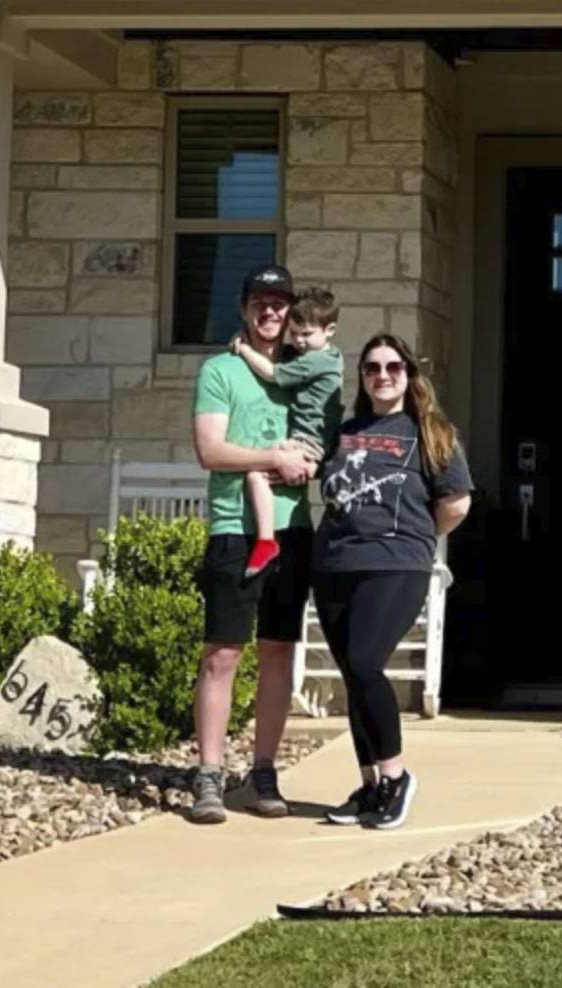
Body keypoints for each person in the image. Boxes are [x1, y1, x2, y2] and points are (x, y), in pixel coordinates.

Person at [311, 334, 473, 830]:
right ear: (362, 377)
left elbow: (456, 504)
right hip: (335, 563)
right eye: (372, 369)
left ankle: (396, 776)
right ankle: (370, 786)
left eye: (393, 368)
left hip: (396, 564)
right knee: (354, 677)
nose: (383, 376)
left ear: (409, 374)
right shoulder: (344, 431)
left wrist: (413, 538)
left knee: (365, 663)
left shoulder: (431, 432)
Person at [189, 264, 315, 825]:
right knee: (222, 653)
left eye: (280, 303)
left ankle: (263, 770)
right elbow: (211, 451)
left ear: (291, 313)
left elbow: (319, 444)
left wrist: (306, 460)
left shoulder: (304, 373)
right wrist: (273, 458)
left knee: (278, 652)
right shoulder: (219, 371)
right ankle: (209, 774)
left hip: (292, 528)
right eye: (260, 302)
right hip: (232, 529)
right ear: (243, 308)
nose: (270, 312)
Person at [230, 287, 343, 578]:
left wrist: (243, 348)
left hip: (307, 442)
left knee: (256, 474)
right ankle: (267, 539)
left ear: (330, 330)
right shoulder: (330, 356)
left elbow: (272, 374)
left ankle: (266, 541)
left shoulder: (316, 361)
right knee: (262, 475)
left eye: (306, 334)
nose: (299, 342)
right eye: (294, 334)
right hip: (314, 442)